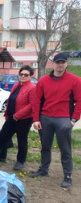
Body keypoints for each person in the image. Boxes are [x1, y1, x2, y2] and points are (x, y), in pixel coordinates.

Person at [30, 52, 80, 187]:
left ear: (66, 63)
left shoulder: (75, 80)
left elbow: (79, 100)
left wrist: (74, 119)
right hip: (45, 118)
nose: (60, 65)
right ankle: (44, 169)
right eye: (58, 62)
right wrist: (36, 119)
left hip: (64, 119)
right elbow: (36, 101)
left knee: (65, 149)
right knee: (45, 146)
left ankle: (68, 175)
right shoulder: (43, 80)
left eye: (63, 62)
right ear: (53, 63)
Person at [0, 65, 35, 171]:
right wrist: (8, 113)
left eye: (26, 75)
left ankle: (20, 161)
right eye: (21, 74)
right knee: (3, 135)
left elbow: (31, 105)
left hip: (24, 119)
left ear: (30, 76)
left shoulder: (32, 88)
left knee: (22, 140)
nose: (23, 76)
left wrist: (18, 115)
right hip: (12, 117)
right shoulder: (17, 85)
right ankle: (1, 157)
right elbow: (11, 100)